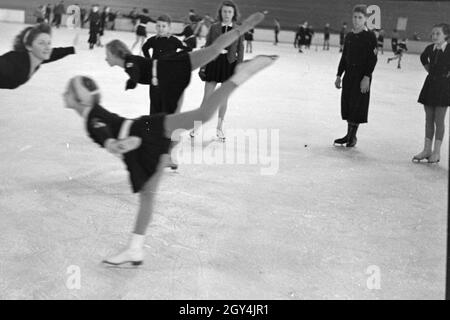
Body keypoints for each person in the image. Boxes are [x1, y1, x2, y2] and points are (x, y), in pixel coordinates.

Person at [75, 13, 273, 266]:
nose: (106, 59)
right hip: (173, 67)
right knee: (212, 52)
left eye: (107, 55)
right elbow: (139, 66)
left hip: (166, 77)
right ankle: (241, 34)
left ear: (115, 54)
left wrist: (133, 80)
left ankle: (238, 74)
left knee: (174, 125)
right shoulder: (137, 57)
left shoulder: (128, 62)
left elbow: (134, 68)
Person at [194, 0, 244, 141]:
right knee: (206, 97)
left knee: (223, 98)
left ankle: (219, 128)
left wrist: (239, 68)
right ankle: (197, 125)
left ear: (234, 14)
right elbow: (208, 46)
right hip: (214, 64)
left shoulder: (239, 29)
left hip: (229, 65)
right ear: (220, 13)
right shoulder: (214, 28)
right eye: (224, 11)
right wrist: (203, 65)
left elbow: (240, 50)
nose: (226, 14)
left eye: (229, 12)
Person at [334, 5, 378, 147]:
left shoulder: (370, 36)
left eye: (360, 17)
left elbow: (373, 59)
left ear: (365, 19)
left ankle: (352, 137)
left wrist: (367, 77)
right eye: (355, 17)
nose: (357, 20)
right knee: (349, 104)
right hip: (349, 76)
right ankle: (348, 135)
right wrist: (339, 75)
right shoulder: (350, 36)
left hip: (362, 76)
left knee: (357, 106)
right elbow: (344, 57)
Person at [413, 23, 450, 164]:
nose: (434, 36)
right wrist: (430, 71)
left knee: (439, 121)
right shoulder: (430, 48)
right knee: (429, 119)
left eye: (437, 34)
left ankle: (437, 152)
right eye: (433, 33)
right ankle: (427, 149)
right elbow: (423, 58)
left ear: (446, 35)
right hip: (430, 86)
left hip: (444, 88)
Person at [0, 23, 76, 89]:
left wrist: (72, 49)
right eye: (41, 43)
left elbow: (54, 53)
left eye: (49, 43)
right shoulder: (13, 61)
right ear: (29, 46)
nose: (47, 47)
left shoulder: (35, 57)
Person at [141, 14, 186, 114]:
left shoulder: (174, 40)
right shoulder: (153, 40)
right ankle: (153, 125)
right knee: (154, 101)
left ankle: (166, 124)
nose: (160, 29)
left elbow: (187, 49)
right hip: (155, 76)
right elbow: (144, 48)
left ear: (169, 27)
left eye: (163, 26)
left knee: (167, 102)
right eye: (158, 26)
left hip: (170, 76)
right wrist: (149, 61)